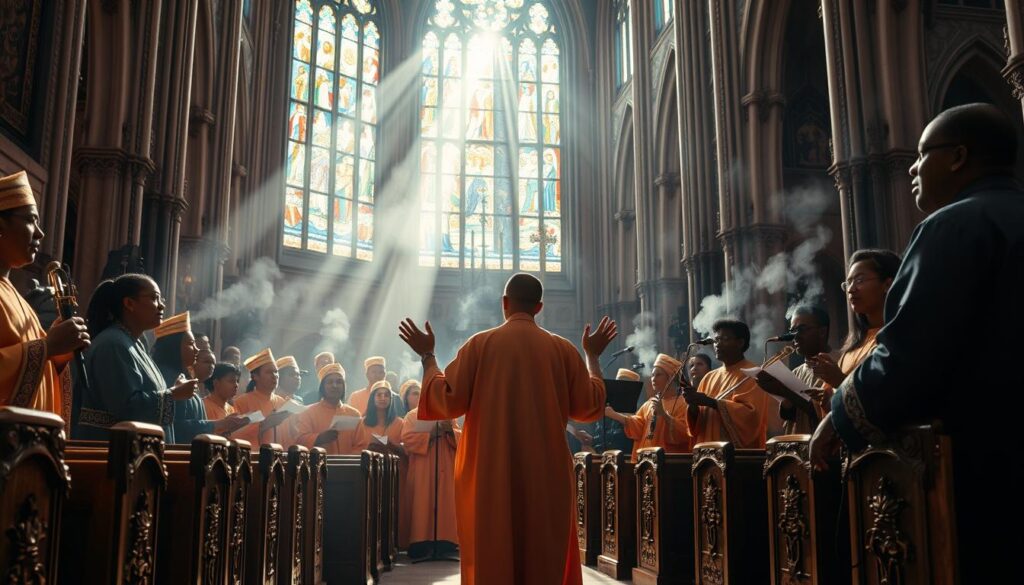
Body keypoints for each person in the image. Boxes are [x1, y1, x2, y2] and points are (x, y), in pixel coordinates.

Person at [810, 103, 1024, 581]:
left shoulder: (952, 226)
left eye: (923, 154)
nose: (911, 167)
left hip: (985, 460)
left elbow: (911, 354)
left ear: (958, 157)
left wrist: (838, 416)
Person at [399, 272, 617, 585]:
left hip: (491, 474)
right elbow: (591, 406)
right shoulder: (562, 350)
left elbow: (444, 400)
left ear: (504, 303)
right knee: (544, 552)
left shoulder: (480, 345)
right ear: (539, 307)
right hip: (547, 474)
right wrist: (592, 356)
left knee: (493, 550)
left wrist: (427, 355)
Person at [0, 170, 89, 420]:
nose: (40, 233)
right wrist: (48, 346)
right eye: (31, 220)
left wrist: (59, 352)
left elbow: (38, 365)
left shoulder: (15, 296)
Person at [77, 274, 195, 441]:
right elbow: (127, 408)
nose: (161, 305)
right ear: (129, 303)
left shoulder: (133, 343)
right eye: (154, 298)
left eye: (161, 299)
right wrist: (173, 394)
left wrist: (172, 391)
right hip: (113, 449)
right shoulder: (113, 343)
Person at [804, 249, 900, 393]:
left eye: (859, 280)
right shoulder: (854, 346)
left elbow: (889, 396)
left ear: (887, 285)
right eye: (848, 283)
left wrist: (839, 380)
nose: (851, 289)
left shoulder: (899, 339)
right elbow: (835, 398)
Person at [151, 312, 245, 443]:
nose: (196, 350)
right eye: (191, 344)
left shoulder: (183, 378)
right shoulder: (168, 380)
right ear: (175, 347)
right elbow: (175, 427)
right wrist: (217, 425)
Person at [683, 319, 772, 448]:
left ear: (740, 343)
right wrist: (692, 405)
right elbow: (698, 424)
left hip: (737, 455)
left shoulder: (753, 374)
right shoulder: (709, 377)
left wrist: (712, 402)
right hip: (709, 453)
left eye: (724, 339)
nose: (717, 345)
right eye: (716, 340)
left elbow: (751, 417)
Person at [401, 378, 460, 559]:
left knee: (445, 503)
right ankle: (421, 543)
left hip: (446, 468)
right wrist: (430, 435)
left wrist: (450, 431)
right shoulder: (412, 415)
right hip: (422, 469)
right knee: (422, 504)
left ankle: (446, 543)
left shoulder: (448, 414)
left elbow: (461, 439)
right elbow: (407, 440)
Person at [756, 305, 836, 434]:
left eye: (801, 330)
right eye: (792, 331)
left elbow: (828, 411)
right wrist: (780, 393)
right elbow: (792, 416)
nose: (795, 336)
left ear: (822, 331)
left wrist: (784, 390)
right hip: (799, 442)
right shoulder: (796, 372)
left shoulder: (837, 365)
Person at [606, 354, 692, 461]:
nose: (653, 379)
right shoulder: (649, 403)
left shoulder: (684, 403)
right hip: (646, 461)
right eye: (652, 375)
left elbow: (685, 434)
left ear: (671, 377)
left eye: (658, 375)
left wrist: (664, 415)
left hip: (668, 462)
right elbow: (637, 427)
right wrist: (615, 415)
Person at [286, 363, 361, 454]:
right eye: (329, 382)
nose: (334, 385)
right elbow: (299, 440)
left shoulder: (353, 414)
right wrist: (319, 438)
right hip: (319, 463)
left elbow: (360, 444)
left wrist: (348, 460)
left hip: (349, 462)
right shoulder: (308, 412)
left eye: (339, 382)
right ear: (322, 387)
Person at [231, 348, 293, 446]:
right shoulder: (241, 402)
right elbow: (234, 434)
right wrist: (264, 424)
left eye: (276, 372)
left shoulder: (282, 403)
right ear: (255, 376)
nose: (274, 376)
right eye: (269, 372)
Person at [353, 380, 406, 456]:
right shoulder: (362, 423)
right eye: (379, 395)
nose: (383, 398)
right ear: (372, 399)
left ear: (391, 399)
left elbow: (406, 449)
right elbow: (355, 448)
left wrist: (390, 444)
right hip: (368, 462)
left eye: (386, 395)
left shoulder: (400, 423)